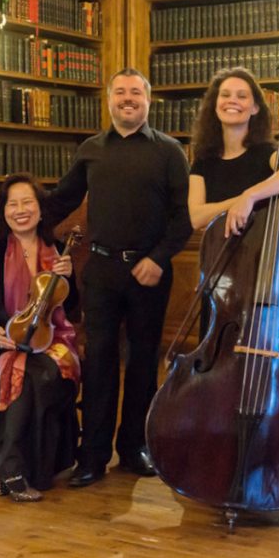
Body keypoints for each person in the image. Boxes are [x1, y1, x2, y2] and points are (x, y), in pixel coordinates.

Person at [45, 68, 192, 488]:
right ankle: (92, 456)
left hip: (149, 272)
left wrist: (159, 259)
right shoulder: (91, 150)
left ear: (148, 100)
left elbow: (182, 218)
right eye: (120, 92)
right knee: (100, 363)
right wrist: (18, 217)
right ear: (109, 100)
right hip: (103, 270)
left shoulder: (169, 152)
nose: (128, 99)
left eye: (136, 93)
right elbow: (62, 200)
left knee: (144, 363)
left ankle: (134, 449)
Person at [0, 173, 81, 502]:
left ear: (41, 210)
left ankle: (21, 467)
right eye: (13, 204)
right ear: (3, 211)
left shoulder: (57, 252)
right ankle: (12, 470)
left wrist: (70, 278)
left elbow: (73, 309)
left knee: (37, 372)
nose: (20, 210)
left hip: (50, 343)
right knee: (18, 370)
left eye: (28, 202)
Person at [188, 67, 279, 235]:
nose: (232, 100)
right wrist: (240, 201)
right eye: (225, 95)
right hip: (219, 254)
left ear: (255, 108)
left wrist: (250, 196)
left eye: (242, 96)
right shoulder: (204, 158)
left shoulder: (266, 152)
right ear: (215, 106)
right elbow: (196, 218)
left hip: (260, 250)